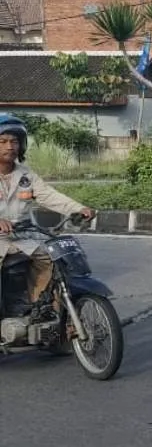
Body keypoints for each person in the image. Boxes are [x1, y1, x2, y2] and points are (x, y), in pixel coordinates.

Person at [0, 115, 94, 313]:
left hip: (22, 235)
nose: (10, 147)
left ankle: (39, 309)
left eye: (14, 141)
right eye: (3, 141)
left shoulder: (26, 175)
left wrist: (77, 208)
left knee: (52, 260)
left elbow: (49, 195)